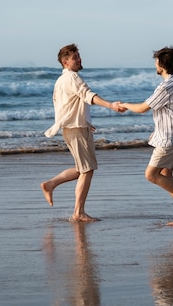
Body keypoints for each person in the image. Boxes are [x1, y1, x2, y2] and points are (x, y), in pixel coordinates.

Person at [41, 43, 125, 222]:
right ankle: (78, 212)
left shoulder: (61, 80)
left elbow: (65, 105)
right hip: (76, 129)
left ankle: (50, 184)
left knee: (83, 168)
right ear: (65, 62)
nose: (79, 59)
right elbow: (88, 95)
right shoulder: (72, 78)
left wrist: (84, 121)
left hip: (74, 128)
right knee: (87, 170)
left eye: (79, 56)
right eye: (74, 57)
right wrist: (111, 105)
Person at [120, 46, 173, 225]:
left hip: (170, 137)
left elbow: (142, 108)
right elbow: (171, 111)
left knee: (151, 175)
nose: (155, 64)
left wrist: (124, 104)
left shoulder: (166, 87)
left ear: (162, 64)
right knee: (166, 174)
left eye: (156, 61)